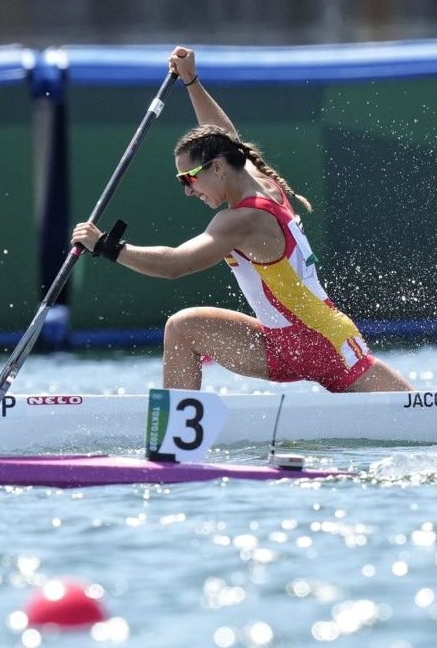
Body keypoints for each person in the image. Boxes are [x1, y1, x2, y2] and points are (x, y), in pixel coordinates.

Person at [71, 46, 412, 393]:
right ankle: (177, 434)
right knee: (182, 328)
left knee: (182, 328)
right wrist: (191, 80)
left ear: (217, 168)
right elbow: (225, 136)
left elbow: (175, 265)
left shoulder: (240, 220)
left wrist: (107, 247)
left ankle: (170, 440)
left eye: (189, 179)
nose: (189, 191)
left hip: (316, 344)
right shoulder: (263, 181)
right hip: (299, 340)